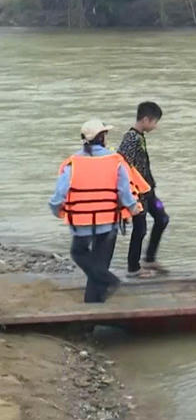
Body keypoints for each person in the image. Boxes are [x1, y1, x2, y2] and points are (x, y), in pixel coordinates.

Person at [50, 119, 140, 303]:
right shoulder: (115, 162)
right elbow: (125, 192)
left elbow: (58, 196)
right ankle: (107, 284)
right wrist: (133, 209)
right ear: (103, 137)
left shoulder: (72, 164)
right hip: (108, 222)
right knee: (99, 263)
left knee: (79, 253)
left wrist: (56, 210)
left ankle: (94, 299)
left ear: (83, 139)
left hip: (81, 222)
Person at [117, 101, 167, 279]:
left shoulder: (139, 136)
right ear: (146, 120)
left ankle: (149, 258)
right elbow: (122, 165)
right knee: (140, 228)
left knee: (162, 218)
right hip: (138, 193)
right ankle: (133, 267)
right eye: (155, 122)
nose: (155, 126)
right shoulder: (130, 138)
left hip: (149, 191)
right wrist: (128, 195)